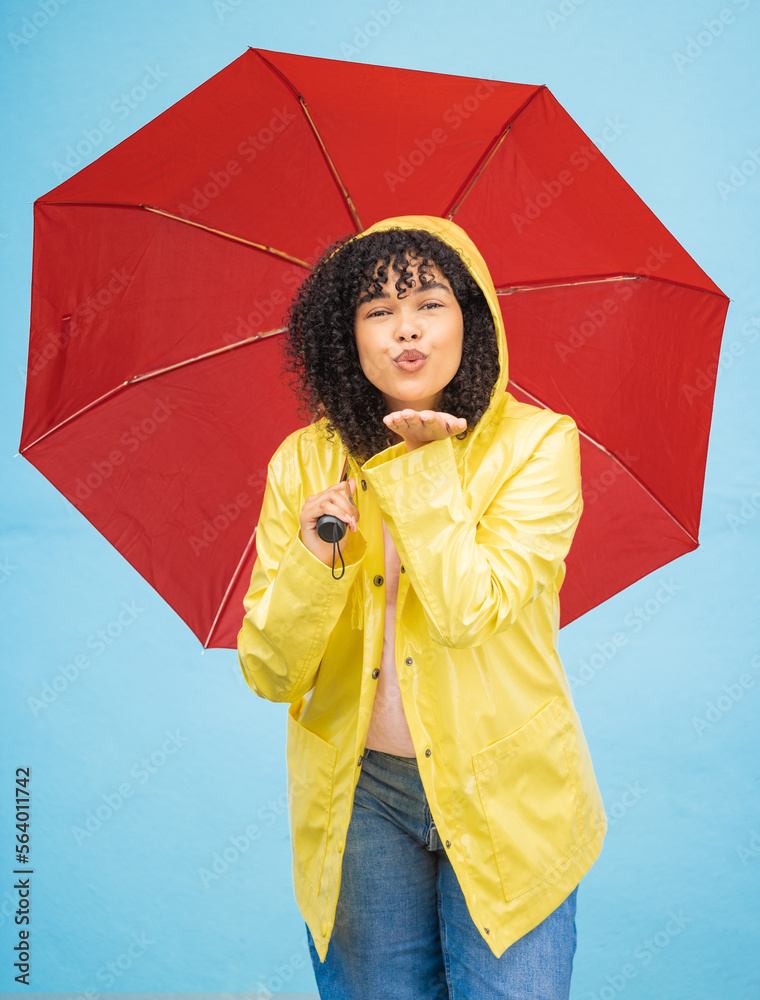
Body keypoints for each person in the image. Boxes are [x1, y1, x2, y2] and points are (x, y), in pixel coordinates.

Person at [237, 215, 607, 999]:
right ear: (348, 337)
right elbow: (271, 672)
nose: (405, 329)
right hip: (362, 798)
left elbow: (471, 610)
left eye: (428, 303)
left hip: (508, 793)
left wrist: (425, 469)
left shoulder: (538, 446)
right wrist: (314, 559)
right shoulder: (305, 462)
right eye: (377, 311)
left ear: (470, 318)